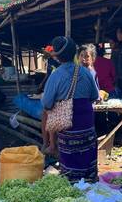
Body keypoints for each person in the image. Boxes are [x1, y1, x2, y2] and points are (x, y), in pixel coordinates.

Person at [41, 36, 99, 181]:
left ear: (58, 57)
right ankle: (91, 184)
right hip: (87, 126)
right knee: (88, 163)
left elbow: (47, 104)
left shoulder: (56, 76)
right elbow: (95, 95)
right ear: (74, 53)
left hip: (69, 127)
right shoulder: (86, 72)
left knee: (70, 169)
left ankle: (72, 185)